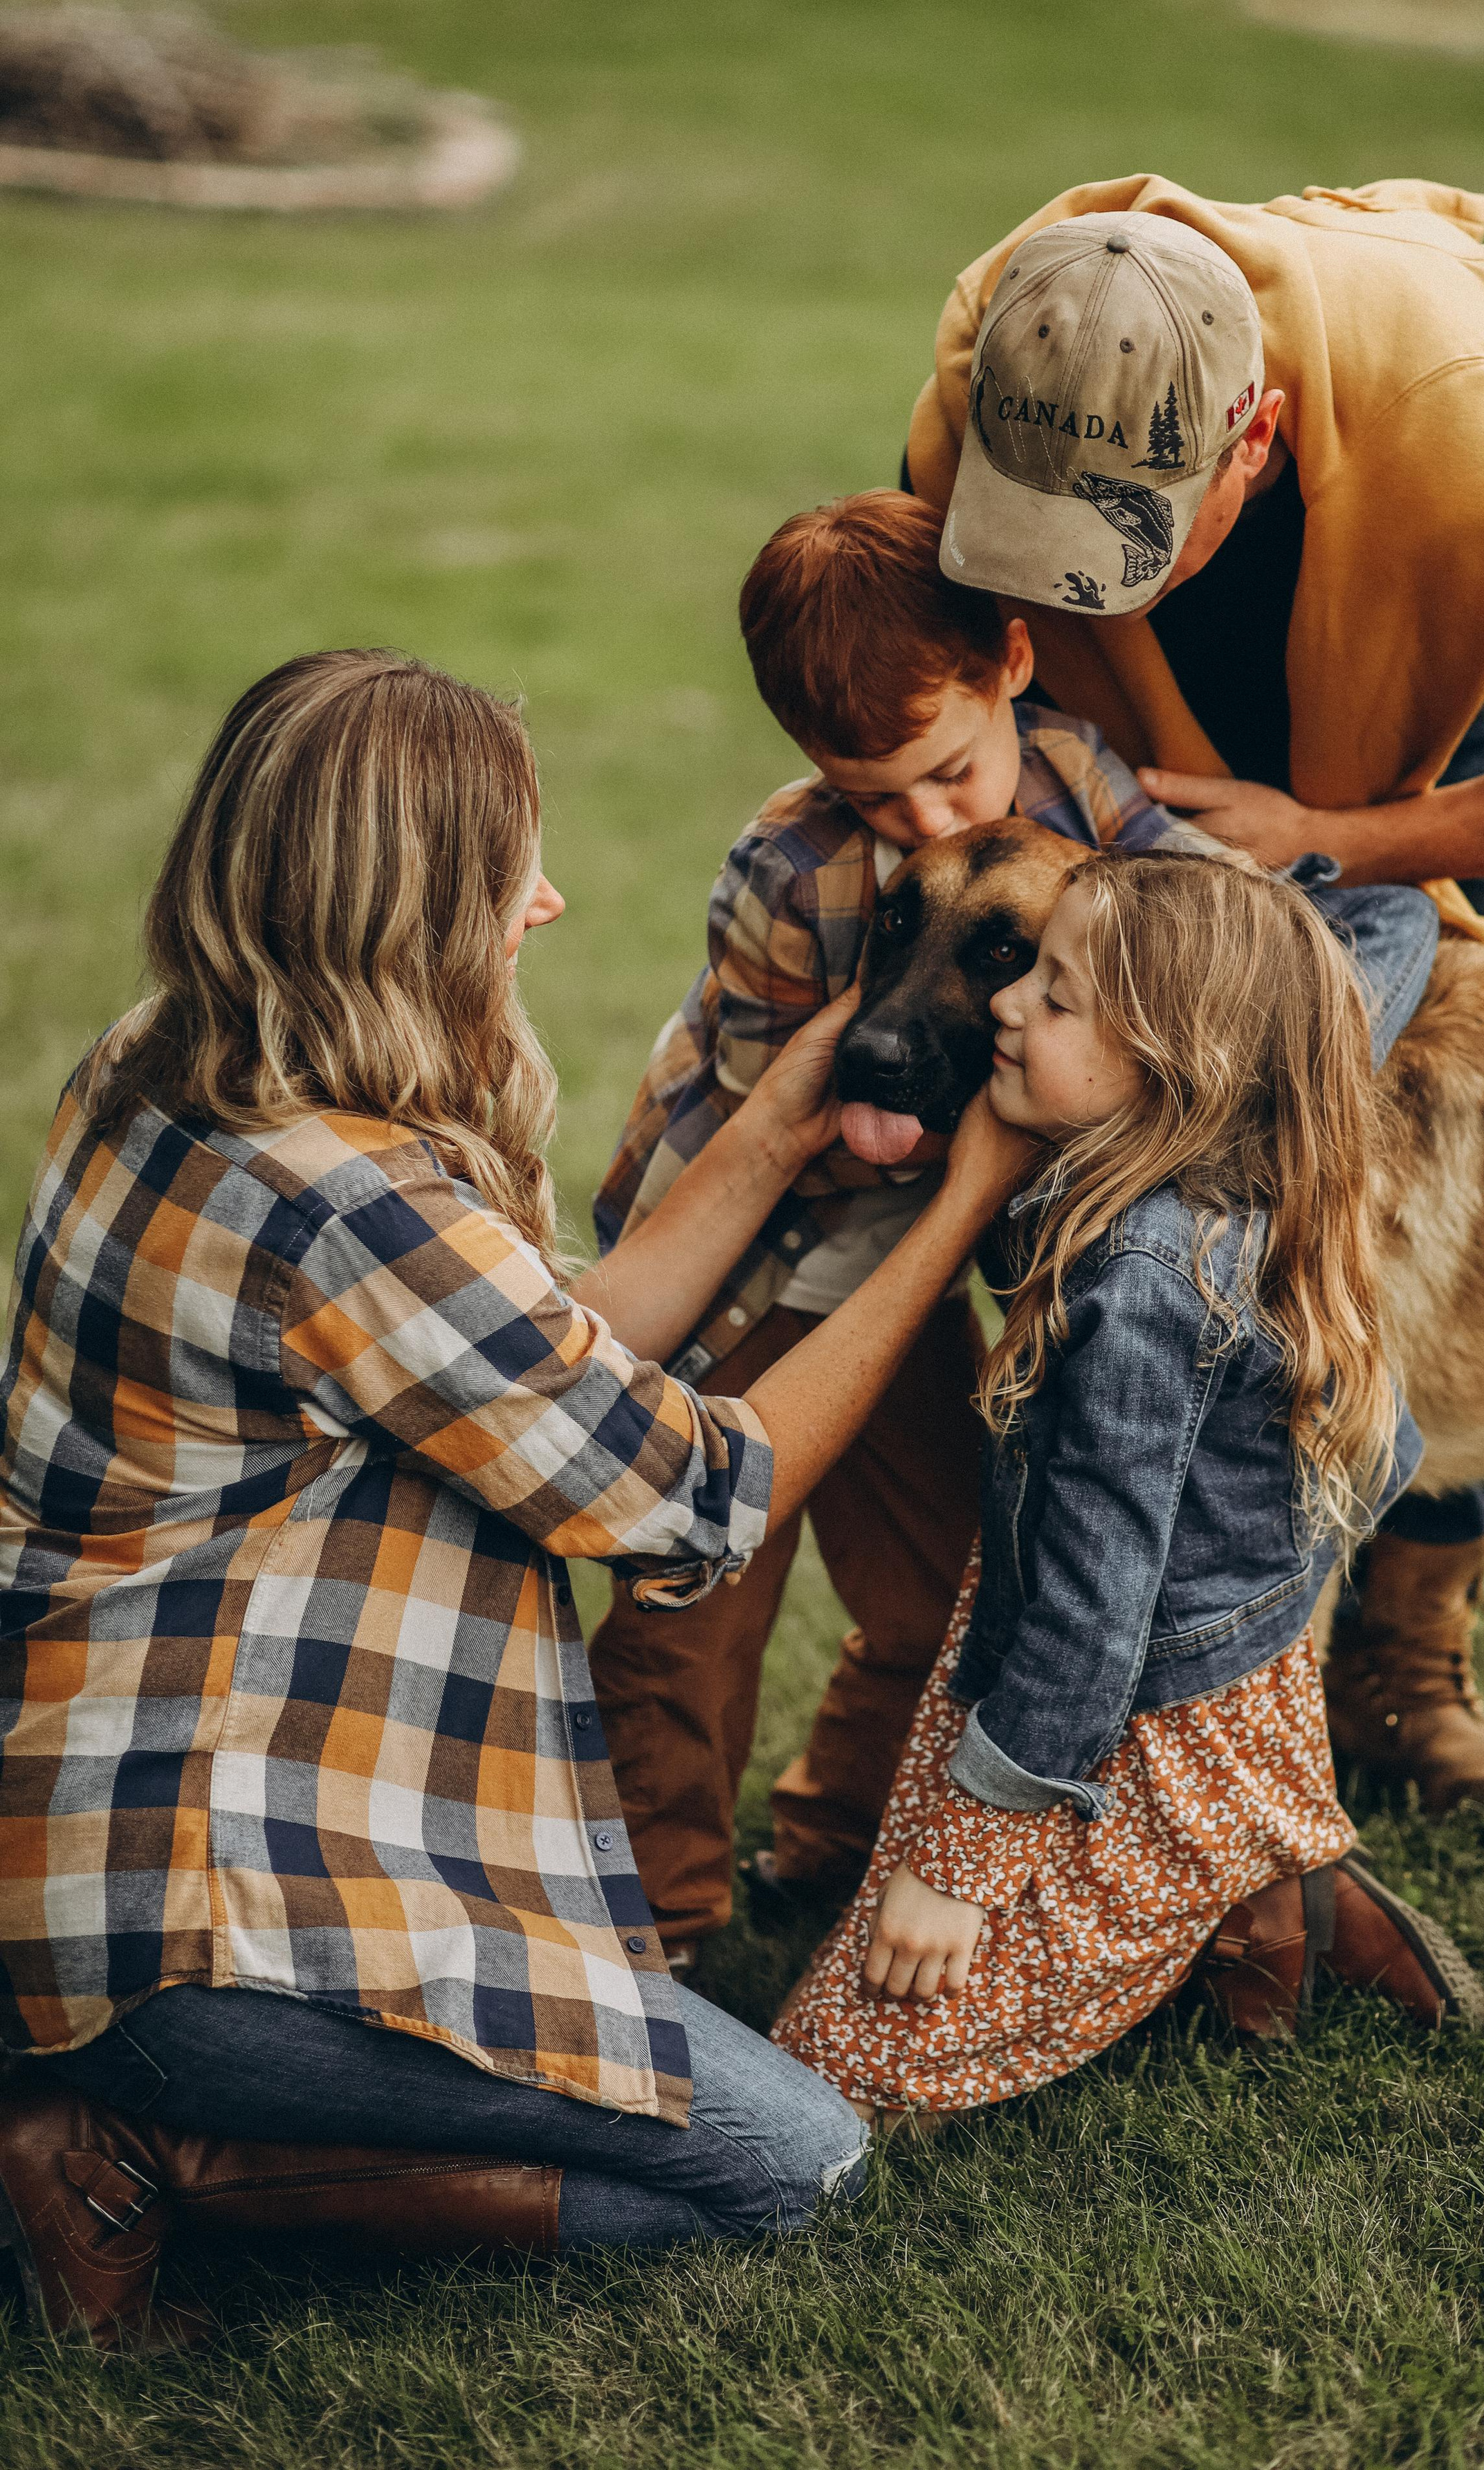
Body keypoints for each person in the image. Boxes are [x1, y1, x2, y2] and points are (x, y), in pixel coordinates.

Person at [0, 651, 1029, 2352]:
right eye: (507, 874)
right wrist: (954, 1209)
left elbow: (563, 1348)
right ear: (397, 913)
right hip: (199, 1910)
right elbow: (703, 1500)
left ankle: (150, 2113)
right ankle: (139, 2150)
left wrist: (788, 1113)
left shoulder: (161, 1068)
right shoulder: (347, 1204)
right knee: (801, 2168)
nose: (546, 903)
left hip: (92, 1844)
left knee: (714, 2150)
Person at [904, 175, 1484, 1824]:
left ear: (1256, 438)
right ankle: (1064, 1657)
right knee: (1161, 1178)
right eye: (1041, 548)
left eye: (1123, 548)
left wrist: (1346, 840)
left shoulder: (1473, 456)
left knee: (1435, 1197)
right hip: (1152, 769)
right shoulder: (997, 371)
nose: (1085, 593)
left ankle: (1400, 1668)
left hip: (1472, 735)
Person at [773, 848, 1484, 2119]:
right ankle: (1270, 1866)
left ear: (1175, 1062)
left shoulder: (1145, 1278)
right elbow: (1386, 1457)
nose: (1002, 1007)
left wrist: (970, 1859)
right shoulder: (1243, 1188)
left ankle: (1237, 1860)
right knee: (866, 1989)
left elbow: (1095, 1616)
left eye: (1053, 997)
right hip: (1223, 1677)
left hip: (1129, 1721)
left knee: (847, 2068)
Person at [589, 489, 1189, 1963]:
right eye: (876, 802)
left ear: (1011, 663)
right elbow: (750, 1142)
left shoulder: (1080, 786)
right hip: (749, 1264)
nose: (931, 820)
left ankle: (832, 1839)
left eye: (947, 773)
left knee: (940, 1588)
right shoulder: (787, 871)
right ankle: (645, 1935)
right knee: (693, 1601)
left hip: (909, 1278)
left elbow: (1199, 914)